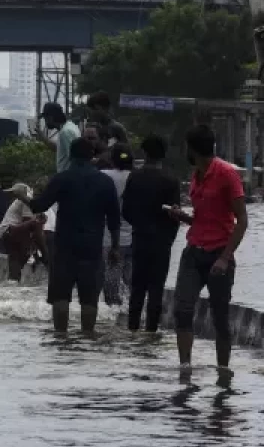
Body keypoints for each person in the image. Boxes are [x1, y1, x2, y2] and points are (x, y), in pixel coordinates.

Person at [168, 125, 247, 378]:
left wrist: (225, 258)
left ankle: (223, 372)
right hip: (194, 250)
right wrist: (183, 216)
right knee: (182, 309)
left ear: (192, 149)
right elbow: (204, 218)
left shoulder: (226, 174)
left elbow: (242, 221)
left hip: (218, 255)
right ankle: (185, 368)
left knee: (220, 316)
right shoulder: (196, 174)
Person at [24, 138, 120, 333]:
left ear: (70, 155)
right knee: (89, 297)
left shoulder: (62, 178)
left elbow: (39, 206)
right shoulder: (105, 182)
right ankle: (87, 337)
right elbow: (114, 219)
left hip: (65, 245)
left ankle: (61, 336)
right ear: (92, 155)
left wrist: (21, 196)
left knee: (60, 296)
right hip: (92, 246)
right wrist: (115, 247)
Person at [122, 134, 180, 333]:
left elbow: (126, 210)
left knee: (137, 287)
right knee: (156, 288)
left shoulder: (135, 177)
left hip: (140, 238)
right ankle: (151, 332)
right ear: (163, 155)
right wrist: (169, 238)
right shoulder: (171, 180)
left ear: (145, 153)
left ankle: (132, 329)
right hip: (162, 241)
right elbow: (176, 215)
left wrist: (139, 224)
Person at [101, 143, 134, 306]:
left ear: (111, 159)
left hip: (111, 238)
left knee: (111, 285)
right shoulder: (136, 176)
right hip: (135, 239)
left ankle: (112, 321)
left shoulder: (104, 175)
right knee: (132, 283)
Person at [0, 183, 50, 282]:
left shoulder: (27, 200)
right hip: (9, 231)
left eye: (14, 193)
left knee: (16, 264)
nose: (11, 196)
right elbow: (30, 226)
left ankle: (13, 282)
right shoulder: (26, 201)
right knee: (35, 224)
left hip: (6, 234)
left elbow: (30, 230)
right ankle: (46, 257)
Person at [37, 102, 80, 173]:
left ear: (50, 118)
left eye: (45, 119)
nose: (45, 122)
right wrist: (42, 137)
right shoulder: (70, 126)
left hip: (68, 177)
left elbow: (75, 158)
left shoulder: (66, 132)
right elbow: (60, 148)